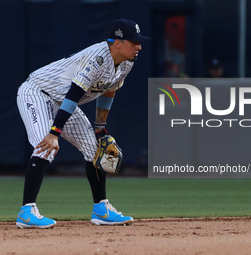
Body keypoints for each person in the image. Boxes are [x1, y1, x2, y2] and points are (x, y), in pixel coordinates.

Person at [16, 18, 150, 228]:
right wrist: (54, 132)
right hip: (37, 93)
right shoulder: (97, 58)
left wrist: (100, 127)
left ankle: (101, 209)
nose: (139, 46)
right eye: (134, 42)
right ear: (117, 42)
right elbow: (74, 94)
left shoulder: (127, 63)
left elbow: (109, 90)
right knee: (45, 146)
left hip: (63, 100)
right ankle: (26, 211)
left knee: (95, 149)